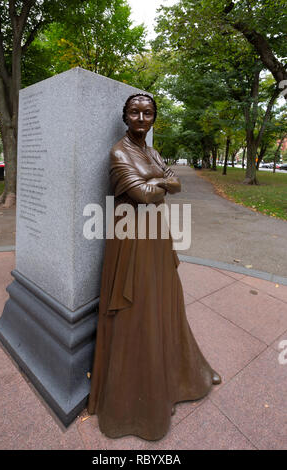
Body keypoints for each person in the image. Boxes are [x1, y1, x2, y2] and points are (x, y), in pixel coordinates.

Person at [87, 93, 221, 441]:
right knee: (138, 307)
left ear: (153, 118)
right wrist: (160, 184)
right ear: (125, 117)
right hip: (130, 234)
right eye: (135, 112)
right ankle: (137, 400)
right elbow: (147, 194)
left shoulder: (152, 152)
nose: (141, 118)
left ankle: (178, 377)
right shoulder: (119, 152)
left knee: (166, 300)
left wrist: (158, 184)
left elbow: (173, 184)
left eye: (148, 113)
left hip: (155, 233)